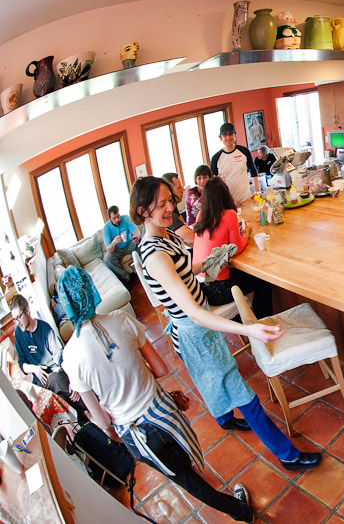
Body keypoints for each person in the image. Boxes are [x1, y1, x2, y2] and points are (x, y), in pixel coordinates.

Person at [130, 176, 320, 471]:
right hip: (194, 329)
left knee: (214, 380)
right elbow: (192, 312)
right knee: (242, 393)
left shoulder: (165, 236)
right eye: (161, 205)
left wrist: (208, 262)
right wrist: (247, 329)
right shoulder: (154, 255)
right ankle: (287, 454)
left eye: (170, 200)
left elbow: (185, 270)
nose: (170, 208)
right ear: (142, 211)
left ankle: (224, 418)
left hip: (199, 325)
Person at [57, 267, 255, 523]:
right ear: (92, 290)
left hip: (137, 434)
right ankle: (215, 489)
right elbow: (160, 369)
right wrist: (135, 371)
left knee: (188, 481)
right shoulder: (121, 318)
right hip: (163, 412)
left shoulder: (70, 357)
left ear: (66, 305)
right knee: (183, 459)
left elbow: (103, 422)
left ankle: (241, 512)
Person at [193, 177, 273, 317]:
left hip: (201, 286)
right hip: (218, 289)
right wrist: (246, 236)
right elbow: (236, 248)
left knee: (247, 275)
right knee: (263, 279)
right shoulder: (229, 214)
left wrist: (239, 235)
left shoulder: (201, 214)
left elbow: (221, 241)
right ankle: (263, 322)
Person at [10, 294, 87, 419]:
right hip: (40, 381)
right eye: (14, 319)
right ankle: (86, 412)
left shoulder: (45, 329)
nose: (17, 322)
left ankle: (85, 412)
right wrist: (34, 368)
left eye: (18, 317)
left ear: (27, 310)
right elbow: (21, 364)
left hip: (55, 374)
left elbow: (61, 359)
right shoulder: (18, 333)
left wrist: (73, 380)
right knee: (57, 396)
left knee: (57, 382)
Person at [210, 123, 258, 204]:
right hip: (228, 203)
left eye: (230, 134)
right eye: (224, 135)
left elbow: (253, 171)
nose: (228, 137)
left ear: (235, 135)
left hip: (246, 199)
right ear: (220, 138)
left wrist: (257, 191)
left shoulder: (244, 151)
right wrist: (231, 201)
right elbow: (213, 185)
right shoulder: (215, 158)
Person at [102, 205, 140, 283]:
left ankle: (145, 266)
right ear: (109, 219)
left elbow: (137, 232)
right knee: (107, 259)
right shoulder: (106, 228)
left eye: (118, 216)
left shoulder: (125, 218)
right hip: (117, 250)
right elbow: (109, 249)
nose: (117, 220)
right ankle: (126, 279)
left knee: (142, 241)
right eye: (114, 218)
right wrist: (114, 242)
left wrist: (136, 237)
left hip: (129, 244)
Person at [163, 172, 195, 245]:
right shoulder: (168, 212)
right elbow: (191, 238)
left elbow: (184, 226)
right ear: (170, 191)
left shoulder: (173, 206)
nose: (183, 189)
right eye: (179, 187)